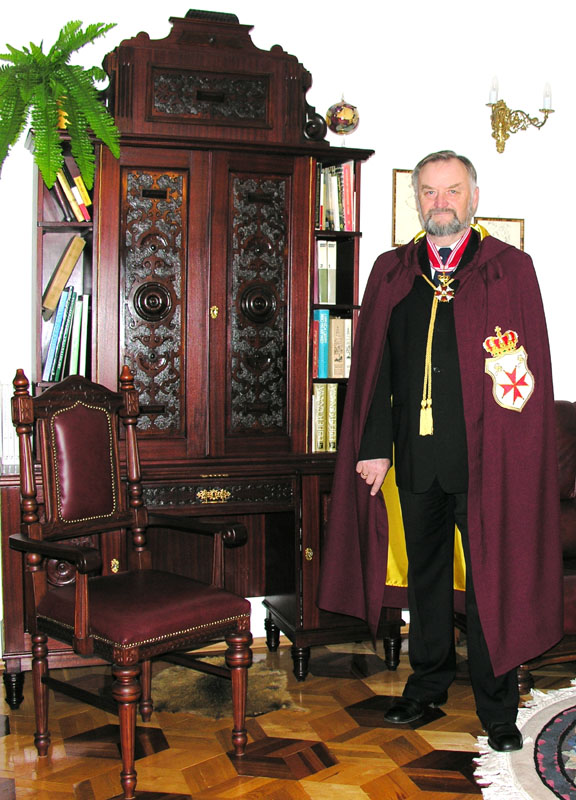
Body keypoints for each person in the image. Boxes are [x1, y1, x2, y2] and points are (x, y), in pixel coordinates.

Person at [318, 150, 563, 753]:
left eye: (452, 190)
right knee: (425, 580)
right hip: (416, 457)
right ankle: (426, 687)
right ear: (417, 200)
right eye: (429, 192)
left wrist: (514, 455)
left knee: (489, 584)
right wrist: (373, 446)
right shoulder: (393, 271)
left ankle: (497, 708)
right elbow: (376, 370)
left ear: (474, 198)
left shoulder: (509, 269)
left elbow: (527, 378)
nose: (441, 202)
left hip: (485, 461)